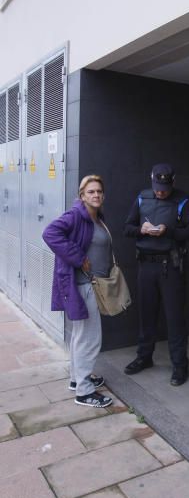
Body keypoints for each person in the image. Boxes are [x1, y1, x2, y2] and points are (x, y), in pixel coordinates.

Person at [123, 163, 189, 385]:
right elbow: (127, 227)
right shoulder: (142, 197)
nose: (160, 192)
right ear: (151, 180)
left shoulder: (184, 199)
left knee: (174, 318)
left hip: (171, 267)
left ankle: (179, 365)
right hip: (146, 265)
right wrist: (141, 230)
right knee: (146, 314)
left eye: (165, 187)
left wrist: (170, 232)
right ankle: (144, 357)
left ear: (173, 182)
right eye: (157, 187)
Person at [42, 175, 113, 408]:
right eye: (91, 192)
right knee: (90, 339)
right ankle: (84, 392)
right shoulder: (75, 216)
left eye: (99, 191)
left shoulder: (95, 217)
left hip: (93, 285)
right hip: (83, 286)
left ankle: (76, 379)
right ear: (82, 195)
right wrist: (78, 257)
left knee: (80, 336)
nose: (96, 195)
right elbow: (50, 233)